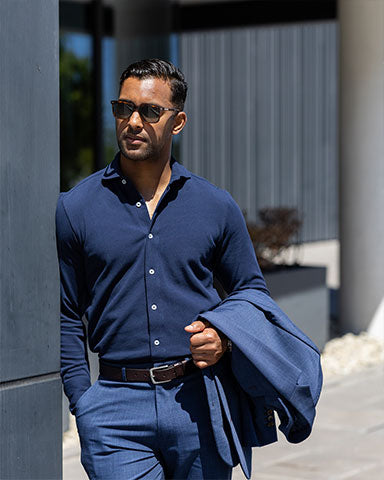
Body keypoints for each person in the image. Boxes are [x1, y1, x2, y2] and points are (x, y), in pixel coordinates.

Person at [56, 59, 320, 480]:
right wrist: (82, 403)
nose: (133, 121)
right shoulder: (76, 208)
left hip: (200, 404)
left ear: (177, 122)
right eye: (123, 108)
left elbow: (251, 293)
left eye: (149, 111)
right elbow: (67, 315)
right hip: (114, 410)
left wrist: (224, 340)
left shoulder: (215, 206)